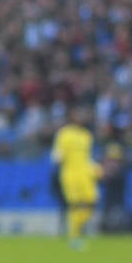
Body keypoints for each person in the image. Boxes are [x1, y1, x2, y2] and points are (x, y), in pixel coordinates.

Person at [50, 105, 101, 250]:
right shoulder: (64, 134)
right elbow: (58, 154)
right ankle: (74, 237)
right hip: (70, 174)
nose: (81, 117)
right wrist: (57, 160)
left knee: (91, 200)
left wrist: (95, 169)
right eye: (78, 114)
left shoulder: (87, 136)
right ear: (71, 117)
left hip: (85, 174)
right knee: (75, 205)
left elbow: (87, 157)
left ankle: (77, 229)